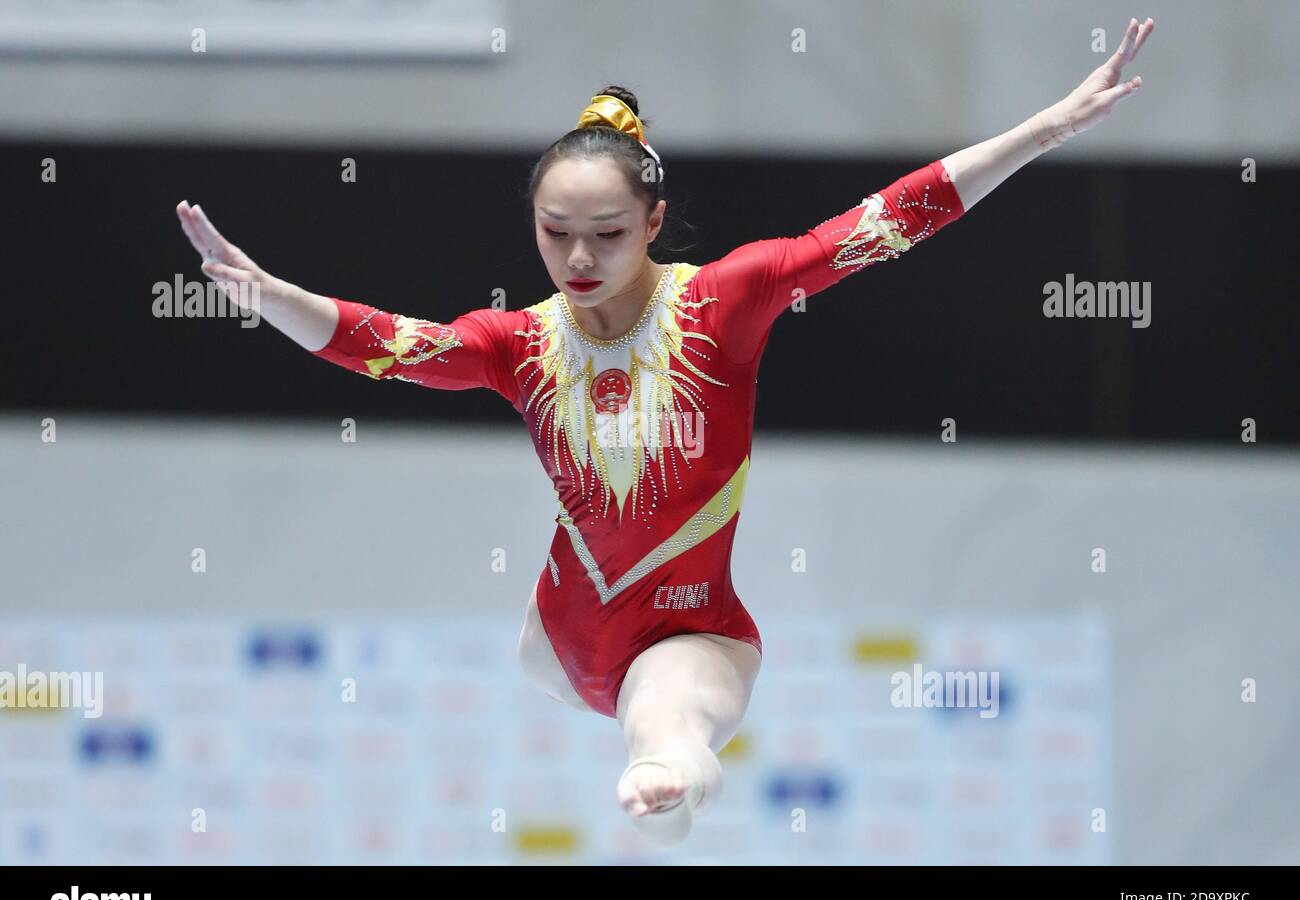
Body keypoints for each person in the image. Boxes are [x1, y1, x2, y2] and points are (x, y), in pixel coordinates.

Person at [175, 17, 1153, 847]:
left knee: (668, 722)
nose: (578, 256)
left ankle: (669, 779)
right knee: (641, 719)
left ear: (653, 220)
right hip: (559, 639)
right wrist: (270, 296)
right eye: (555, 232)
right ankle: (665, 783)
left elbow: (886, 220)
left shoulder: (730, 299)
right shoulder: (516, 343)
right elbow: (386, 344)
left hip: (689, 628)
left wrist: (1043, 129)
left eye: (606, 231)